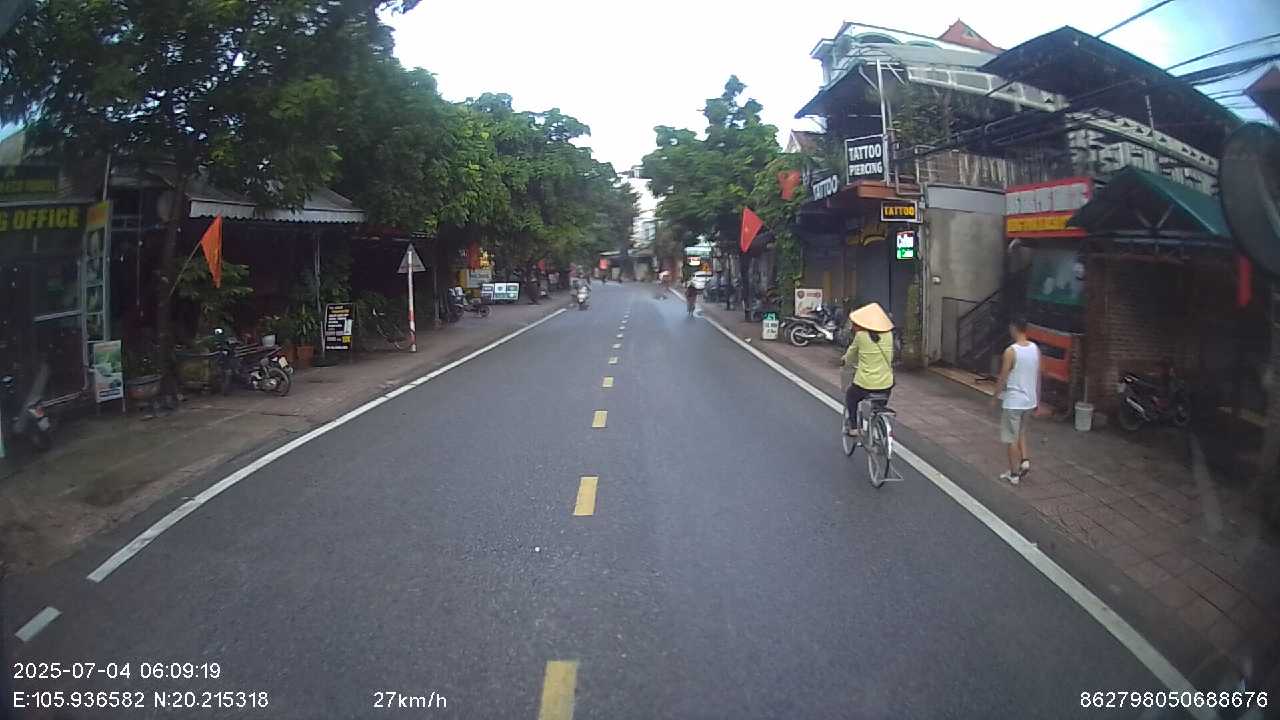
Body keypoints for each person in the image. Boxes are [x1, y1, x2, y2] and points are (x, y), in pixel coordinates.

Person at [993, 317, 1040, 485]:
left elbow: (1003, 376)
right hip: (1030, 400)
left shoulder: (1011, 351)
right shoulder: (1035, 349)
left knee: (1011, 437)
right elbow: (1037, 375)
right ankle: (1024, 460)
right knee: (1021, 432)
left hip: (1014, 401)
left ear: (1013, 328)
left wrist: (995, 396)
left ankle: (1013, 474)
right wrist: (1037, 398)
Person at [840, 303, 895, 437]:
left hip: (865, 384)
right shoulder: (889, 335)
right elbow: (890, 357)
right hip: (886, 384)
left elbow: (851, 355)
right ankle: (878, 429)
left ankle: (853, 428)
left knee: (851, 397)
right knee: (878, 406)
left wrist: (845, 360)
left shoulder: (861, 336)